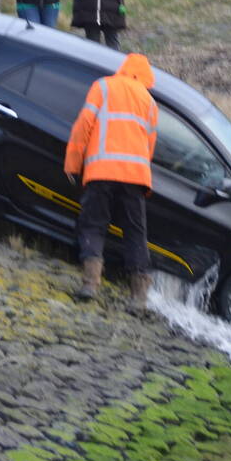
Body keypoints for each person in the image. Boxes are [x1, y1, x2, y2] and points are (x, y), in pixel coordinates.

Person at [64, 53, 158, 311]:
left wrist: (73, 162)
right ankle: (138, 297)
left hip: (101, 171)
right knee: (135, 233)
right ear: (145, 76)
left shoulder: (103, 87)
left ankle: (90, 285)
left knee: (94, 225)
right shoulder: (149, 102)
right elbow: (150, 145)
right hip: (135, 177)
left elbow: (83, 125)